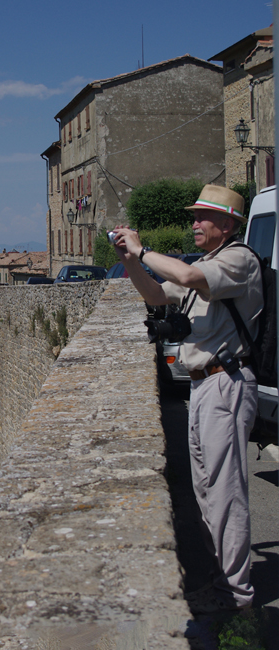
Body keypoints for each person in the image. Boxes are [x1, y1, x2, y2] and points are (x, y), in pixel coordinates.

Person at [122, 182, 263, 616]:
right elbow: (157, 295)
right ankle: (221, 583)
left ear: (228, 225)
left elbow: (185, 279)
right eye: (195, 216)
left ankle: (236, 597)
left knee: (225, 493)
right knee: (205, 491)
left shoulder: (239, 261)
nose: (195, 223)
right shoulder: (205, 262)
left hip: (226, 383)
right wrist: (130, 262)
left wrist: (143, 249)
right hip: (203, 387)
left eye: (203, 217)